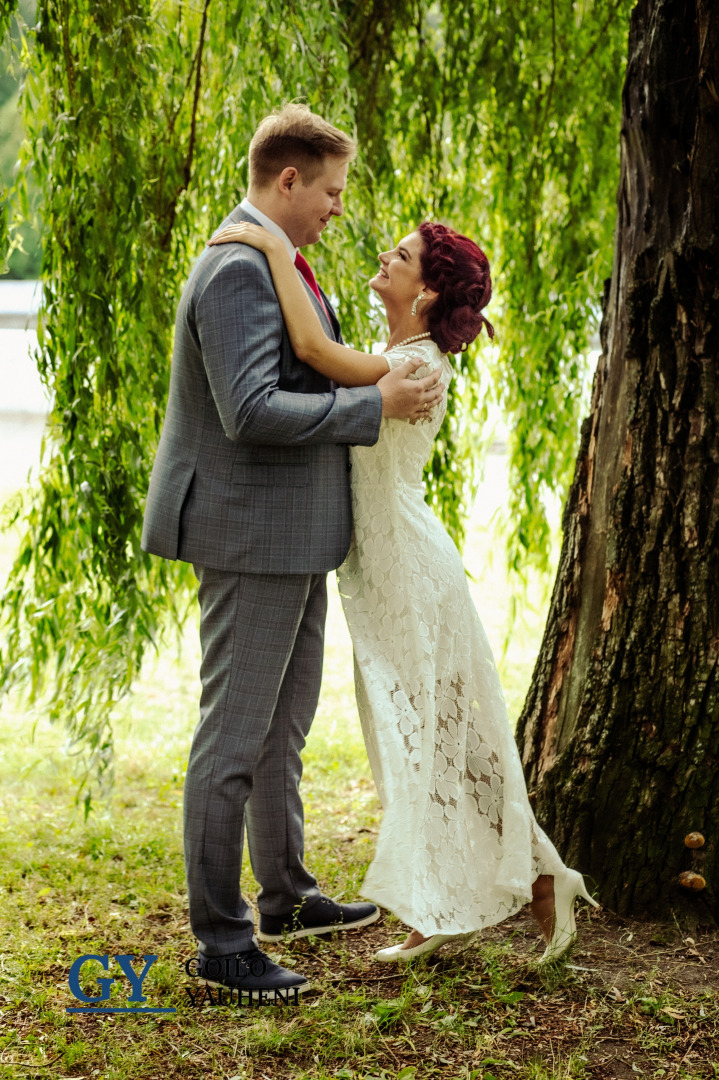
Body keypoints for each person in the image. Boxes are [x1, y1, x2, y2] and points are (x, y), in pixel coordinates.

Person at [208, 218, 600, 964]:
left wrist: (270, 249)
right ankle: (520, 880)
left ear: (423, 291)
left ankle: (501, 887)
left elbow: (311, 351)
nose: (384, 258)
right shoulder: (392, 353)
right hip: (383, 572)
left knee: (434, 737)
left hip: (411, 575)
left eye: (401, 257)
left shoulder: (412, 365)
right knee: (419, 737)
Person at [141, 104, 446, 997]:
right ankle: (222, 942)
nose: (338, 209)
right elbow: (250, 411)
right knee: (233, 737)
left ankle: (285, 893)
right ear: (287, 181)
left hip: (290, 533)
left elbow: (306, 359)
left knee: (281, 730)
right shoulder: (238, 270)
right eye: (330, 190)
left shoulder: (272, 260)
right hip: (249, 532)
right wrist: (372, 410)